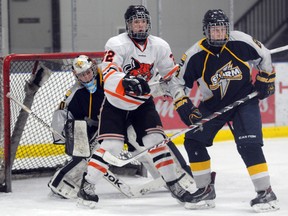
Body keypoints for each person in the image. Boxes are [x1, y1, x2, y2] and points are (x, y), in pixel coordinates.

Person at [77, 5, 196, 208]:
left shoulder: (159, 46)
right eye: (135, 21)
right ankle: (87, 185)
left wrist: (180, 97)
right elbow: (109, 71)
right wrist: (125, 81)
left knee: (157, 141)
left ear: (148, 23)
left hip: (142, 103)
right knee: (111, 147)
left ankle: (174, 185)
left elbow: (170, 76)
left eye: (143, 21)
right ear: (128, 24)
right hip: (115, 102)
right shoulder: (117, 43)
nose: (139, 25)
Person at [176, 9, 279, 212]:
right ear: (206, 31)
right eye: (214, 30)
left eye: (222, 29)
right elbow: (178, 84)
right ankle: (205, 189)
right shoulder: (194, 55)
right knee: (193, 140)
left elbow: (264, 55)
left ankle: (265, 192)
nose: (219, 34)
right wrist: (185, 106)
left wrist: (266, 78)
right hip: (213, 104)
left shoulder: (240, 41)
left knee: (248, 144)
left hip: (244, 100)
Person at [48, 55, 105, 198]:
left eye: (88, 72)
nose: (86, 77)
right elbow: (61, 112)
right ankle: (70, 181)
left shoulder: (107, 82)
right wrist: (62, 135)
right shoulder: (75, 92)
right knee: (83, 154)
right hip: (89, 130)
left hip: (111, 125)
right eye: (81, 75)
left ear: (93, 68)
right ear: (75, 75)